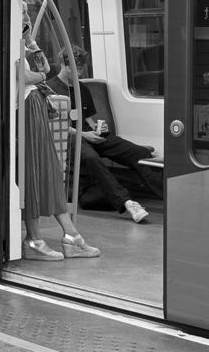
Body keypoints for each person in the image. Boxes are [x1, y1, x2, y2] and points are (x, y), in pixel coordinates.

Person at [20, 15, 100, 260]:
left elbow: (43, 68)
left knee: (48, 170)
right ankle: (37, 239)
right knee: (35, 172)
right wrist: (40, 77)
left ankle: (69, 236)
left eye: (27, 16)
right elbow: (24, 77)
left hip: (34, 108)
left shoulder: (21, 45)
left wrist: (30, 42)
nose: (26, 19)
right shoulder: (7, 45)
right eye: (22, 15)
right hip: (26, 108)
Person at [46, 44, 158, 220]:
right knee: (90, 158)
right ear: (63, 64)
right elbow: (54, 126)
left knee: (139, 153)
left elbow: (89, 120)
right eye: (76, 68)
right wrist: (84, 134)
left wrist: (101, 129)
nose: (80, 73)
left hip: (89, 133)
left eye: (82, 68)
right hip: (69, 137)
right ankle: (127, 203)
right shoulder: (49, 90)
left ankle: (166, 195)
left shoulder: (83, 89)